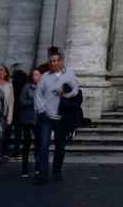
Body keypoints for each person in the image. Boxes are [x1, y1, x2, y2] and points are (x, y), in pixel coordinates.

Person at [34, 48, 80, 184]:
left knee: (60, 146)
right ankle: (43, 174)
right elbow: (38, 94)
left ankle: (57, 170)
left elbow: (75, 90)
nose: (52, 63)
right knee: (43, 145)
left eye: (55, 61)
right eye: (50, 61)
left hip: (62, 116)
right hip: (47, 116)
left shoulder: (70, 74)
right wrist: (41, 110)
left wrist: (64, 92)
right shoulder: (44, 77)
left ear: (61, 62)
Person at [17, 68, 41, 178]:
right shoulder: (27, 87)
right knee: (26, 143)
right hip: (27, 118)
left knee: (38, 144)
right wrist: (33, 101)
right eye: (34, 74)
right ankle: (24, 168)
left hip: (39, 119)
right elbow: (21, 101)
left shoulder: (43, 87)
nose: (35, 76)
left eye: (37, 74)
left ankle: (37, 167)